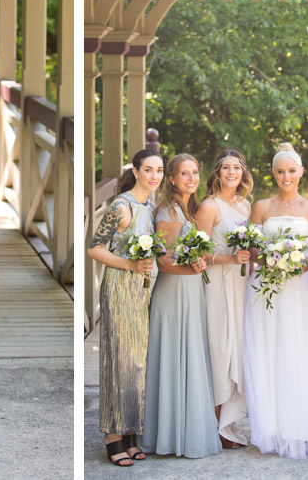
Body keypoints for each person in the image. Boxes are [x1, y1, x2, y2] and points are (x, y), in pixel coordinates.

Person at [242, 143, 308, 459]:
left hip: (301, 288)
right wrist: (271, 260)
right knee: (269, 351)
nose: (286, 176)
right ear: (273, 173)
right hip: (266, 288)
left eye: (291, 171)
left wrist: (298, 263)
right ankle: (271, 427)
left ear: (301, 172)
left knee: (300, 351)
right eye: (280, 171)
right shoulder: (259, 206)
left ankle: (302, 426)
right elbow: (253, 250)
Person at [141, 153, 220, 458]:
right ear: (171, 179)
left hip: (189, 290)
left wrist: (196, 264)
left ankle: (183, 433)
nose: (191, 178)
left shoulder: (188, 209)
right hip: (173, 293)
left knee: (188, 358)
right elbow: (164, 261)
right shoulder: (171, 212)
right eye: (184, 174)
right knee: (174, 359)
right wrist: (194, 268)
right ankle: (171, 436)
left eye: (195, 173)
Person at [88, 149, 164, 467]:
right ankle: (112, 435)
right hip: (119, 289)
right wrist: (131, 265)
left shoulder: (150, 206)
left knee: (137, 363)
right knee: (119, 360)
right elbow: (94, 248)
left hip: (142, 292)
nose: (155, 176)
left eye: (159, 170)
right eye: (148, 170)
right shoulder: (122, 205)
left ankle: (131, 430)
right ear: (135, 171)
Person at [194, 149, 253, 449]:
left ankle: (230, 423)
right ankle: (216, 426)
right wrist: (229, 259)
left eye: (237, 168)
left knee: (238, 349)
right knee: (220, 350)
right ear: (217, 173)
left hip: (242, 284)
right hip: (217, 283)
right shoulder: (209, 206)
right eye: (226, 168)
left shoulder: (246, 205)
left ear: (244, 172)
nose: (232, 173)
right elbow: (198, 250)